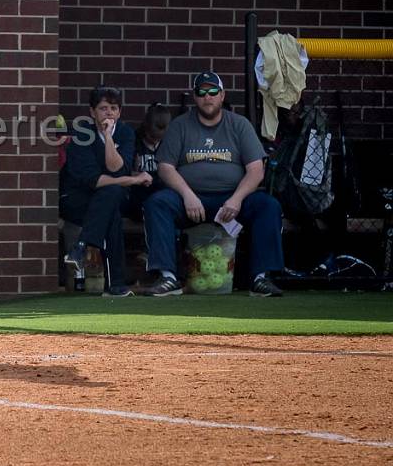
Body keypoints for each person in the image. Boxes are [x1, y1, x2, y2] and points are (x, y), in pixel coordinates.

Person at [143, 72, 284, 297]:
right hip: (190, 200)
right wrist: (187, 195)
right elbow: (165, 168)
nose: (207, 97)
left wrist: (236, 199)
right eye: (201, 92)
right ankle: (167, 277)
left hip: (232, 199)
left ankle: (261, 278)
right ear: (195, 97)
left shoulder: (239, 125)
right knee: (157, 203)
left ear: (222, 95)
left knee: (268, 205)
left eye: (212, 92)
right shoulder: (179, 126)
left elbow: (256, 170)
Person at [60, 86, 153, 297]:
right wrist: (135, 179)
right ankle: (116, 284)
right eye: (103, 108)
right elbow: (95, 180)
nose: (109, 113)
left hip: (105, 201)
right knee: (110, 201)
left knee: (110, 201)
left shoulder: (125, 133)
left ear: (119, 112)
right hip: (77, 198)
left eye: (113, 108)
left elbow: (116, 168)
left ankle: (81, 247)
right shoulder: (83, 133)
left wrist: (109, 138)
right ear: (92, 112)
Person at [124, 102, 173, 221]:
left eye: (159, 139)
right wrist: (135, 175)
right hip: (139, 195)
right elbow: (122, 172)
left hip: (162, 194)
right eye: (152, 137)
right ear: (145, 129)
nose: (155, 142)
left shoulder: (170, 142)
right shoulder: (134, 141)